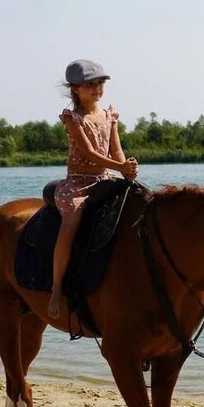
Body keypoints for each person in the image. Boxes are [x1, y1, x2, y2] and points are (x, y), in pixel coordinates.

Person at [47, 59, 138, 319]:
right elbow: (88, 152)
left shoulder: (109, 115)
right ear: (75, 88)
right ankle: (56, 287)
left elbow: (115, 149)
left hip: (105, 177)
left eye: (100, 83)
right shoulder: (72, 118)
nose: (97, 89)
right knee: (71, 221)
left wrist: (126, 167)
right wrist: (120, 166)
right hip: (77, 182)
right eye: (90, 84)